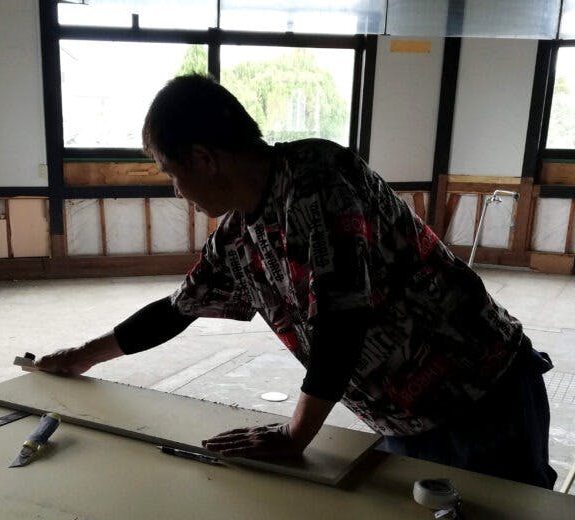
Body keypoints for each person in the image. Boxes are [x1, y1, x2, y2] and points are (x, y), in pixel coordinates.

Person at [36, 74, 557, 490]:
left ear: (203, 159)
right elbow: (177, 310)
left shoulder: (316, 178)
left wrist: (295, 433)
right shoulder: (238, 236)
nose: (176, 190)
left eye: (171, 173)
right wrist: (81, 357)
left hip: (484, 397)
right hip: (403, 419)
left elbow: (342, 318)